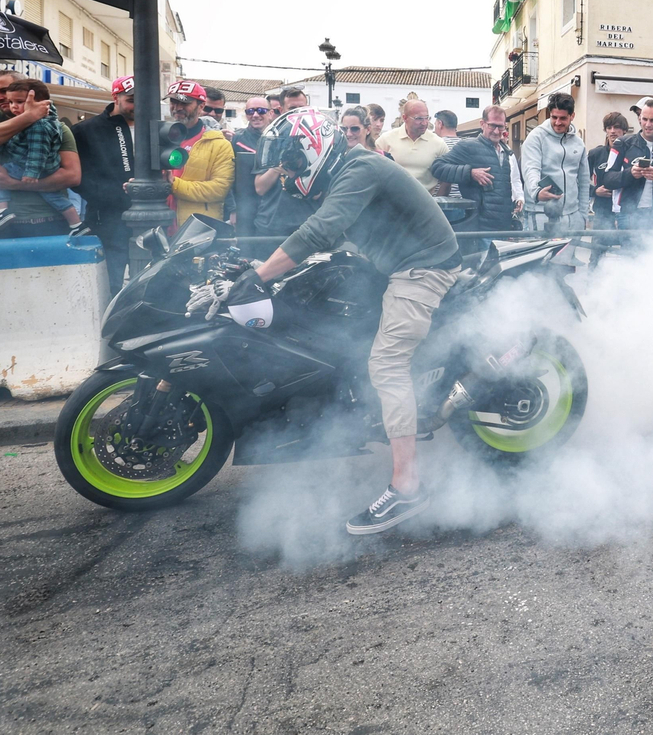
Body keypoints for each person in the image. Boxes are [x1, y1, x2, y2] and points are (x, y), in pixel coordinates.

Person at [246, 109, 461, 534]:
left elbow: (319, 231)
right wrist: (264, 268)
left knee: (386, 363)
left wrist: (257, 277)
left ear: (312, 149)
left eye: (289, 162)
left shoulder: (360, 167)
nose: (285, 173)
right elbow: (311, 233)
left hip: (423, 267)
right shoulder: (343, 170)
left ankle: (408, 486)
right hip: (389, 262)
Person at [0, 72, 81, 239]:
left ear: (30, 93)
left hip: (47, 220)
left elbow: (72, 176)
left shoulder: (54, 127)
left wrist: (13, 184)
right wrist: (29, 116)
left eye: (4, 90)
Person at [72, 76, 138, 292]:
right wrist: (106, 196)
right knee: (110, 284)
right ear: (115, 97)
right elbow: (75, 176)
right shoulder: (85, 130)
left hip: (149, 216)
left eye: (143, 100)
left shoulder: (155, 128)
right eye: (131, 99)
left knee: (146, 282)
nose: (137, 106)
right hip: (106, 219)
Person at [433, 104, 522, 234]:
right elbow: (437, 167)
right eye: (492, 125)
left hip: (503, 228)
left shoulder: (506, 151)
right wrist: (470, 173)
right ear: (482, 124)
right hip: (479, 228)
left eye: (500, 126)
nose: (497, 131)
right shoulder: (468, 146)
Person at [602, 98, 653, 230]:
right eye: (644, 119)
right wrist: (630, 173)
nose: (647, 124)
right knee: (628, 251)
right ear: (640, 118)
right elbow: (607, 180)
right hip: (627, 213)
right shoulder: (622, 143)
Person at [520, 92, 591, 235]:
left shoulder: (578, 143)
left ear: (572, 116)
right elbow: (530, 169)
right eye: (554, 117)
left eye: (563, 118)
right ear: (549, 115)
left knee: (568, 257)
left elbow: (584, 180)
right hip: (540, 213)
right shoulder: (535, 137)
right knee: (541, 256)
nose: (558, 122)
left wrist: (583, 215)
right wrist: (536, 192)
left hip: (573, 215)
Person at [165, 80, 234, 226]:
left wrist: (173, 184)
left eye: (184, 103)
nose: (177, 108)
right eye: (173, 102)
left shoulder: (220, 144)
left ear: (201, 106)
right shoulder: (160, 137)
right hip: (160, 224)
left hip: (197, 230)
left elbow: (219, 189)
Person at [377, 100, 449, 193]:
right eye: (418, 118)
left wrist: (437, 202)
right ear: (405, 118)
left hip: (425, 202)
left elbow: (447, 178)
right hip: (391, 202)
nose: (424, 123)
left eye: (427, 118)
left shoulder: (439, 143)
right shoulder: (385, 140)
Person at [229, 96, 275, 230]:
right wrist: (233, 209)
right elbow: (228, 176)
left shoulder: (279, 139)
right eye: (250, 111)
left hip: (271, 209)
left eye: (261, 111)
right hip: (244, 209)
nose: (255, 115)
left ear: (270, 113)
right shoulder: (236, 139)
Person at [588, 112, 628, 228]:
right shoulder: (595, 154)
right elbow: (579, 181)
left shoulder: (632, 153)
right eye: (609, 128)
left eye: (616, 127)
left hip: (626, 211)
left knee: (628, 246)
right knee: (599, 246)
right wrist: (594, 191)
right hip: (602, 212)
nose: (612, 131)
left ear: (624, 130)